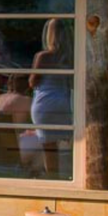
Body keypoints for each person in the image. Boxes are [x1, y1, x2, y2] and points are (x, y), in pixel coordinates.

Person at [29, 18, 73, 177]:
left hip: (45, 103)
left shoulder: (43, 56)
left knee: (49, 147)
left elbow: (33, 82)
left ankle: (53, 177)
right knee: (72, 143)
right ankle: (72, 176)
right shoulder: (70, 57)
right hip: (64, 102)